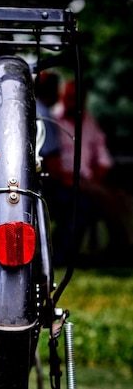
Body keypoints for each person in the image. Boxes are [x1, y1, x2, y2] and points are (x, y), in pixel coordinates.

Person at [42, 79, 133, 265]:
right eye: (68, 97)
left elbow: (102, 157)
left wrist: (95, 178)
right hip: (63, 181)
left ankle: (120, 246)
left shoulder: (89, 122)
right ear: (62, 96)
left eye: (76, 98)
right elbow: (53, 164)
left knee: (119, 197)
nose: (71, 102)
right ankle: (121, 247)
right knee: (102, 198)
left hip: (87, 180)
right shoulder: (52, 120)